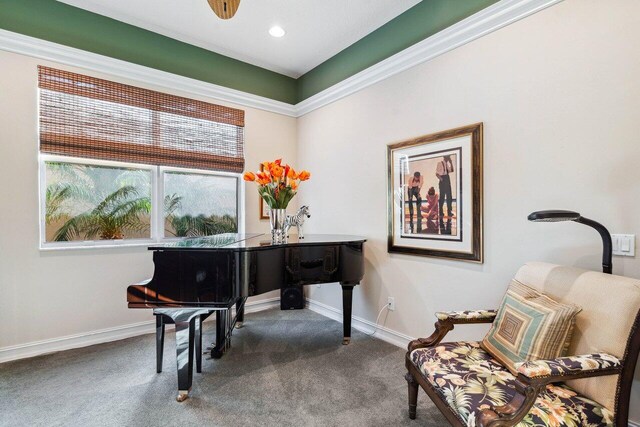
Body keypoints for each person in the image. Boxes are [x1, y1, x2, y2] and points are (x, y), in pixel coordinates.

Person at [436, 155, 454, 221]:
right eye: (448, 157)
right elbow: (437, 174)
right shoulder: (440, 163)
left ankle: (449, 212)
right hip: (443, 179)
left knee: (449, 196)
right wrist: (441, 180)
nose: (449, 158)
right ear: (445, 157)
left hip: (447, 179)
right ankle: (441, 212)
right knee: (442, 197)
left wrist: (451, 162)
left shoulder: (447, 164)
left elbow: (452, 170)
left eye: (449, 157)